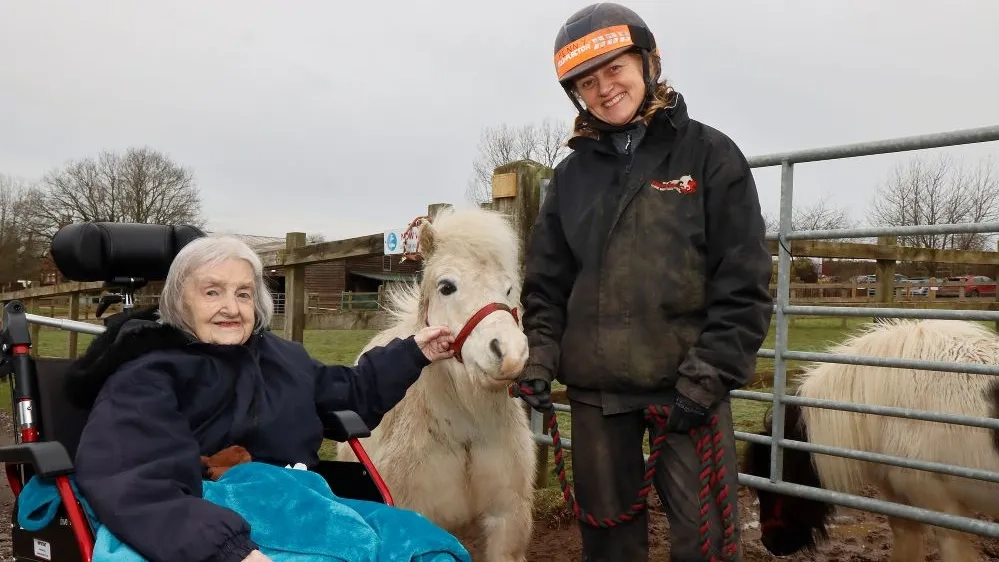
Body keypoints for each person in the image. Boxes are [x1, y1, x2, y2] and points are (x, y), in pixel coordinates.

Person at [515, 3, 773, 561]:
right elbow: (547, 284)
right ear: (576, 94)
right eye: (588, 81)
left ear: (649, 62)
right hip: (597, 393)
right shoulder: (568, 179)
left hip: (686, 389)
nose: (605, 88)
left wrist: (706, 380)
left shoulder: (711, 156)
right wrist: (538, 356)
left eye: (615, 69)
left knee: (706, 541)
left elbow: (745, 282)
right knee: (608, 543)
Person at [67, 234, 456, 562]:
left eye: (243, 293)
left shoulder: (281, 357)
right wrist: (232, 550)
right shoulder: (148, 373)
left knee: (428, 547)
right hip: (213, 518)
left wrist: (413, 352)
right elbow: (135, 478)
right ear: (179, 302)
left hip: (302, 504)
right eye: (211, 292)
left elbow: (351, 393)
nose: (230, 308)